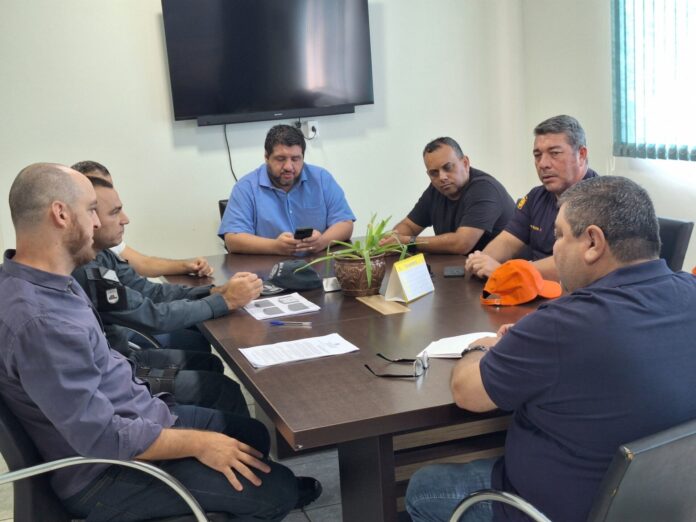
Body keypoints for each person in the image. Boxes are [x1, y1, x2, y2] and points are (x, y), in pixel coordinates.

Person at [0, 163, 320, 520]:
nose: (97, 223)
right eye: (91, 210)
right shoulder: (41, 321)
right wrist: (198, 443)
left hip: (138, 416)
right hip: (106, 472)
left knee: (252, 436)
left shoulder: (53, 282)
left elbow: (140, 307)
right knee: (277, 491)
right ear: (60, 214)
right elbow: (103, 437)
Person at [405, 176, 696, 522]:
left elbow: (467, 392)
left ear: (593, 242)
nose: (552, 250)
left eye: (558, 236)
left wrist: (480, 348)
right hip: (666, 503)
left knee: (423, 487)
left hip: (554, 509)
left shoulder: (563, 324)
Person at [465, 115, 598, 280]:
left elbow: (573, 263)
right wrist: (482, 261)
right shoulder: (536, 196)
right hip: (532, 285)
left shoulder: (600, 199)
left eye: (554, 153)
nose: (543, 164)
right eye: (537, 155)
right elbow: (508, 241)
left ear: (581, 155)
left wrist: (510, 271)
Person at [219, 124, 355, 255]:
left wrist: (322, 242)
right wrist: (275, 247)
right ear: (266, 157)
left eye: (295, 159)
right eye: (281, 159)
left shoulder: (321, 179)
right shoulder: (246, 187)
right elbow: (233, 240)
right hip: (267, 267)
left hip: (317, 263)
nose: (289, 167)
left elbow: (345, 223)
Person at [71, 160, 214, 278]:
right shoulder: (76, 261)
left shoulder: (106, 242)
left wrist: (186, 265)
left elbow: (143, 263)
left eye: (108, 186)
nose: (125, 220)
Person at [380, 137, 514, 254]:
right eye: (434, 173)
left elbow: (462, 243)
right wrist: (391, 240)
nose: (442, 177)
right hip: (461, 268)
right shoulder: (435, 190)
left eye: (448, 167)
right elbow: (409, 225)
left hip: (504, 271)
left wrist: (408, 242)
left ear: (465, 163)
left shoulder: (485, 189)